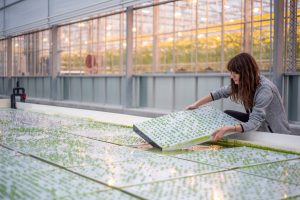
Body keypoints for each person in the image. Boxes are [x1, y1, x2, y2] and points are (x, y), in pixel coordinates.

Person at [186, 52, 291, 141]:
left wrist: (229, 129)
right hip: (258, 124)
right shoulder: (246, 83)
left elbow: (255, 121)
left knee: (231, 126)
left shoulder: (265, 89)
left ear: (246, 73)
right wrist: (196, 104)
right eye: (231, 73)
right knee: (227, 114)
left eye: (235, 73)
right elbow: (219, 93)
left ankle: (228, 132)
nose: (232, 77)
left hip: (274, 134)